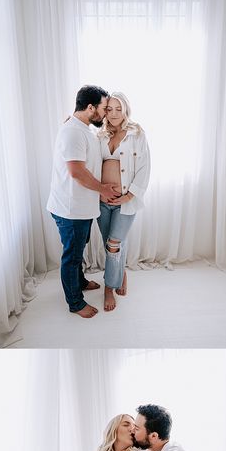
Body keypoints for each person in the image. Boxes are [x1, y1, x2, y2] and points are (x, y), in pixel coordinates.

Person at [46, 85, 120, 318]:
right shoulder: (73, 132)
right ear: (90, 108)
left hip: (81, 207)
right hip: (70, 209)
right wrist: (103, 190)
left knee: (79, 250)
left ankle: (79, 282)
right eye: (103, 108)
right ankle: (75, 303)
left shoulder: (80, 128)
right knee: (73, 256)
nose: (106, 113)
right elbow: (76, 172)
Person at [97, 94, 151, 312]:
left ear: (126, 109)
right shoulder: (99, 135)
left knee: (114, 244)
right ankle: (121, 272)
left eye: (118, 109)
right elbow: (92, 165)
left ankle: (109, 287)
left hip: (125, 201)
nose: (114, 113)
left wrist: (130, 195)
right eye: (109, 109)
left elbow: (145, 168)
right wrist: (99, 192)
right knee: (108, 242)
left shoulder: (136, 133)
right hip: (102, 200)